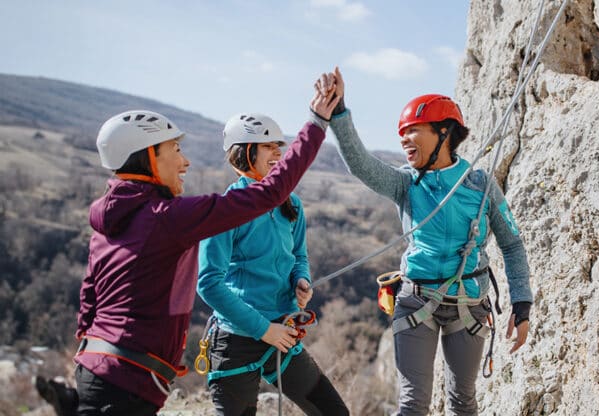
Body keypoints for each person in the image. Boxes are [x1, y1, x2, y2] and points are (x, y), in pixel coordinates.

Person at [70, 75, 341, 415]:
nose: (185, 162)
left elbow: (90, 294)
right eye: (176, 150)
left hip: (101, 368)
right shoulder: (168, 217)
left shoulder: (111, 222)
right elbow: (266, 198)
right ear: (150, 156)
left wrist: (300, 278)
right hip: (134, 374)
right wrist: (317, 121)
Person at [325, 67, 533, 415]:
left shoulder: (480, 186)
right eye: (401, 134)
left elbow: (511, 245)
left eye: (413, 131)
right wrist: (339, 114)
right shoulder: (406, 184)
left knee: (463, 402)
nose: (404, 140)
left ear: (444, 132)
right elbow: (360, 165)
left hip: (468, 304)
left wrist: (522, 302)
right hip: (416, 301)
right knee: (412, 405)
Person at [197, 112, 348, 416]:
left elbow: (299, 255)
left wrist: (300, 280)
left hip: (282, 331)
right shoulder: (226, 209)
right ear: (244, 153)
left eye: (279, 146)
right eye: (268, 146)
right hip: (237, 340)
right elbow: (208, 283)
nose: (279, 153)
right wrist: (264, 330)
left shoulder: (291, 204)